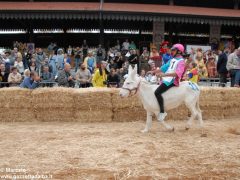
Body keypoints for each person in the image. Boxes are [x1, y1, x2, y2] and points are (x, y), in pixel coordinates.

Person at [154, 44, 186, 121]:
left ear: (179, 52)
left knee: (157, 92)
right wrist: (153, 71)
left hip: (172, 80)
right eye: (172, 50)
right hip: (167, 78)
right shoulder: (172, 59)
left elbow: (177, 73)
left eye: (173, 50)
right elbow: (163, 67)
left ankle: (162, 112)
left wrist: (163, 75)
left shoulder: (181, 62)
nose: (172, 52)